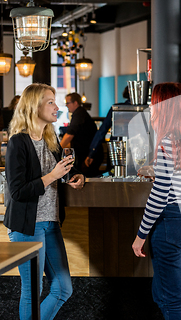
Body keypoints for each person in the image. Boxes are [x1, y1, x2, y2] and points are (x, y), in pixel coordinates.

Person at [4, 83, 85, 320]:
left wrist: (76, 177)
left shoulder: (51, 139)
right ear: (33, 106)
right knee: (33, 292)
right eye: (51, 101)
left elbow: (64, 172)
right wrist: (53, 176)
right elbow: (17, 191)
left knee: (63, 288)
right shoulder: (17, 142)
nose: (57, 107)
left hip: (51, 224)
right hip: (27, 227)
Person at [131, 83, 181, 320]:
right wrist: (160, 173)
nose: (152, 109)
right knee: (161, 293)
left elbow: (160, 195)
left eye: (155, 103)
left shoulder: (167, 143)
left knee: (172, 302)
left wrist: (140, 236)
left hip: (169, 228)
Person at [84, 86, 131, 169]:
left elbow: (102, 131)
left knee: (114, 176)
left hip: (116, 149)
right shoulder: (145, 109)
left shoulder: (117, 108)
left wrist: (91, 153)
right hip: (136, 150)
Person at [60, 92, 102, 177]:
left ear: (75, 103)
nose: (66, 105)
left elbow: (69, 135)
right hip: (89, 153)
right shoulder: (79, 113)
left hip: (89, 155)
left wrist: (57, 150)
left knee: (87, 179)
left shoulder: (79, 114)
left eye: (68, 103)